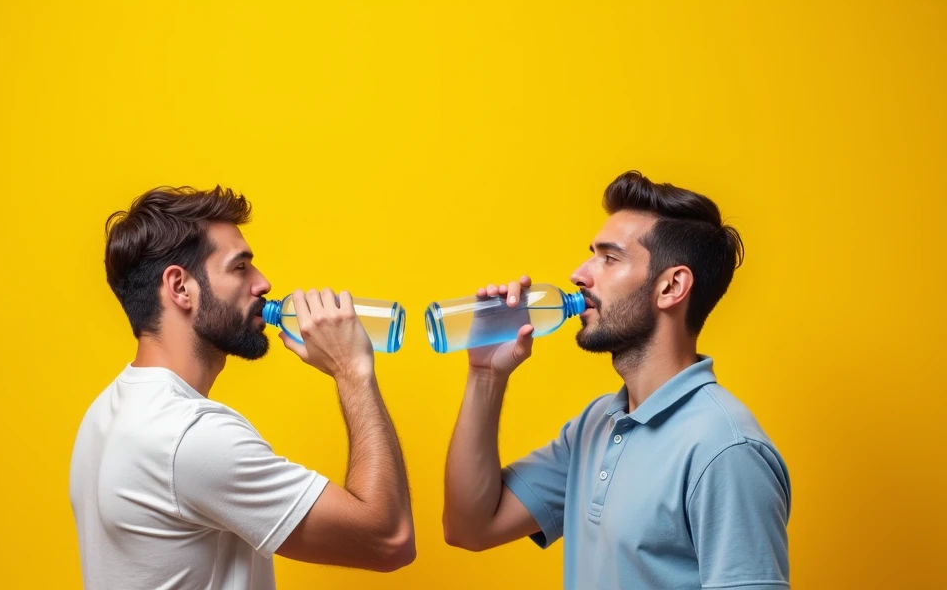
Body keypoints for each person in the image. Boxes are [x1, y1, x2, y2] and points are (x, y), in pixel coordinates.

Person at [442, 171, 790, 589]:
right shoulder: (595, 427)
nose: (579, 274)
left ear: (671, 286)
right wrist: (485, 375)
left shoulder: (724, 448)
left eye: (609, 258)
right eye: (591, 254)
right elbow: (469, 528)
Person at [69, 186, 414, 590]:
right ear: (180, 288)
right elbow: (388, 540)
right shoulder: (190, 438)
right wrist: (353, 372)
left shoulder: (105, 412)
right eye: (240, 267)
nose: (263, 283)